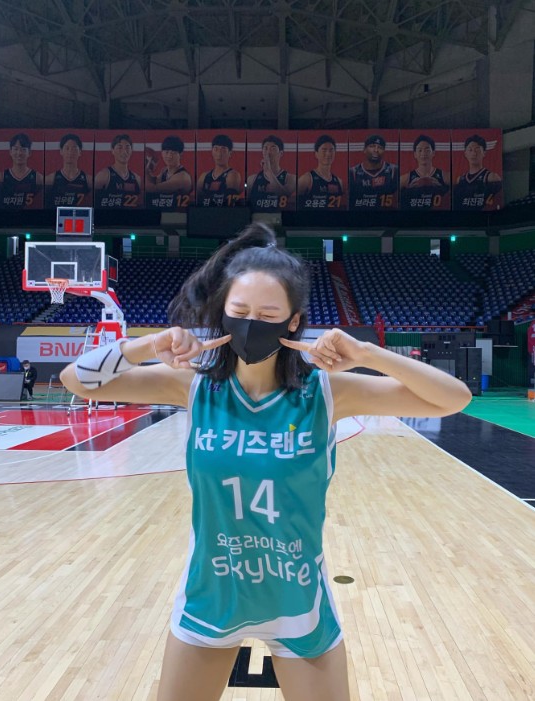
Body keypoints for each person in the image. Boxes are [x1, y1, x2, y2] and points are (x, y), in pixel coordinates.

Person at [59, 223, 471, 701]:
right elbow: (76, 380)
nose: (251, 323)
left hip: (297, 596)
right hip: (213, 590)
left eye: (268, 314)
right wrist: (147, 346)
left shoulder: (326, 391)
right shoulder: (193, 385)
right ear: (223, 313)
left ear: (293, 322)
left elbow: (453, 398)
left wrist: (367, 353)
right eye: (239, 312)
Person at [400, 134, 450, 209]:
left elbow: (457, 196)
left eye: (427, 150)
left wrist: (441, 188)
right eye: (420, 150)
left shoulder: (445, 176)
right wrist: (409, 190)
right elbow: (395, 198)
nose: (423, 153)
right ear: (415, 154)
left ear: (433, 153)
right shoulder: (405, 179)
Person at [453, 134, 502, 211]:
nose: (474, 153)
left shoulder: (491, 177)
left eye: (477, 150)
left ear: (484, 153)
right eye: (470, 150)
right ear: (465, 153)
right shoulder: (460, 179)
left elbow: (496, 204)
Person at [247, 135, 296, 211]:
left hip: (280, 216)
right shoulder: (251, 179)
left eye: (273, 148)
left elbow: (283, 195)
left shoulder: (290, 178)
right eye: (265, 148)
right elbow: (247, 205)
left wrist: (268, 172)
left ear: (281, 153)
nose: (268, 152)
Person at [0, 133, 43, 209]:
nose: (19, 153)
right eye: (16, 149)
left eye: (23, 149)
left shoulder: (38, 178)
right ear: (10, 151)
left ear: (29, 152)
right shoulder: (0, 177)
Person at [348, 134, 398, 209]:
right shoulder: (353, 172)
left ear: (384, 151)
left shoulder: (394, 171)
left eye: (380, 147)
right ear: (364, 150)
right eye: (372, 146)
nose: (376, 150)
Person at [45, 133, 93, 208]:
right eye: (67, 148)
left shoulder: (88, 180)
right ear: (61, 151)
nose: (70, 152)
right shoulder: (50, 179)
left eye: (74, 148)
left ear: (80, 152)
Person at [145, 135, 193, 210]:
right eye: (166, 152)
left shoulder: (183, 177)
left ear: (180, 154)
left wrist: (143, 170)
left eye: (173, 153)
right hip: (164, 210)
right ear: (162, 153)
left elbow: (153, 189)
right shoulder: (164, 170)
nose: (169, 156)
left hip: (180, 213)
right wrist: (148, 168)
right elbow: (154, 181)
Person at [94, 133, 142, 208]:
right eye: (120, 148)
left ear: (131, 151)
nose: (124, 152)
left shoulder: (137, 178)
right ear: (112, 150)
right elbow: (94, 202)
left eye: (127, 148)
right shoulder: (103, 176)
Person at [297, 135, 344, 209]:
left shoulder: (339, 181)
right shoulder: (307, 179)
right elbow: (296, 206)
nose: (328, 154)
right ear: (316, 154)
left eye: (331, 150)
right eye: (324, 150)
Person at [196, 134, 242, 207]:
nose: (219, 154)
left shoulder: (233, 175)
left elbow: (230, 204)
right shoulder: (204, 176)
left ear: (230, 153)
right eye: (216, 149)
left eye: (223, 150)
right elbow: (198, 201)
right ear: (212, 151)